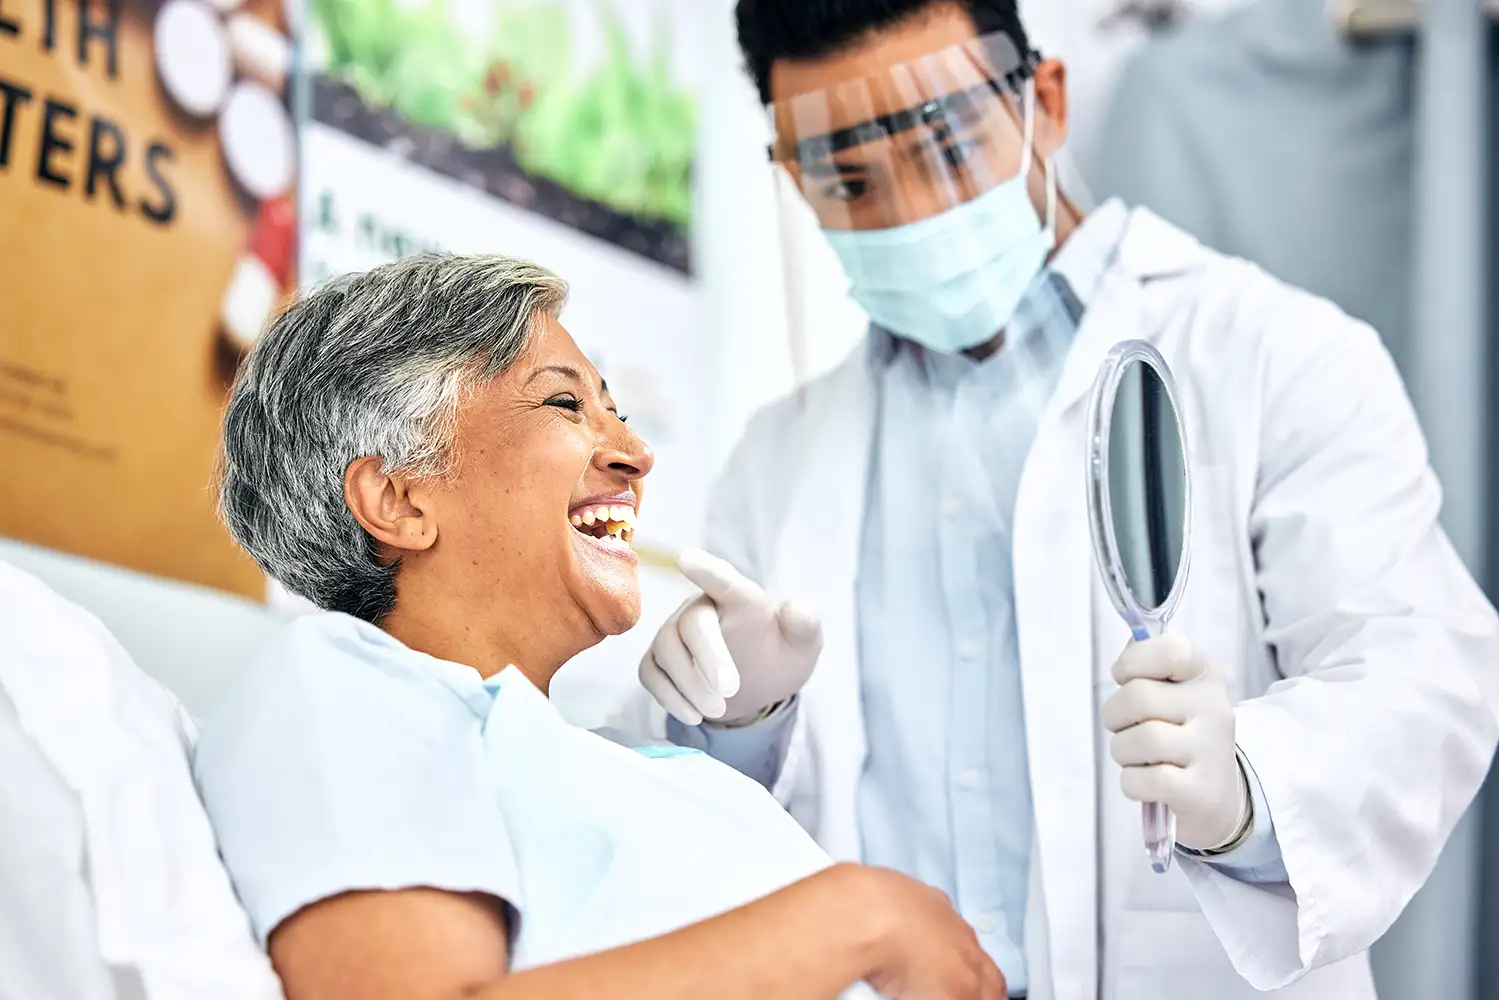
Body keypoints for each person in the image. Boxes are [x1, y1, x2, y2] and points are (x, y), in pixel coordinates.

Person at [633, 2, 1499, 998]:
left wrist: (1246, 790)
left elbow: (1419, 671)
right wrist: (734, 725)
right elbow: (719, 853)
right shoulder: (773, 461)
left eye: (946, 146)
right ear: (794, 179)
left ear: (1042, 101)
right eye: (849, 181)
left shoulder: (1274, 356)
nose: (910, 209)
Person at [191, 253, 1007, 1000]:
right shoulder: (342, 685)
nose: (634, 452)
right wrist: (857, 920)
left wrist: (740, 729)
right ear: (399, 500)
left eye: (615, 409)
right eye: (564, 403)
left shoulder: (597, 760)